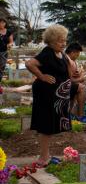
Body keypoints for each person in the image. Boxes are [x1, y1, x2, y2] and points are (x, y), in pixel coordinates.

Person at [26, 24, 76, 166]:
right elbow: (29, 64)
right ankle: (43, 158)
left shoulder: (61, 54)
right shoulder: (47, 52)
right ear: (52, 41)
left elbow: (69, 73)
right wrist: (42, 76)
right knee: (46, 126)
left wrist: (70, 63)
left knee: (51, 126)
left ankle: (46, 154)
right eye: (61, 40)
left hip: (56, 96)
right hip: (45, 94)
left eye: (65, 40)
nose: (64, 43)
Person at [64, 43, 86, 120]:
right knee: (81, 88)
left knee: (76, 87)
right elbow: (68, 80)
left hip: (64, 84)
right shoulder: (67, 60)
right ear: (72, 52)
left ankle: (69, 114)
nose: (77, 57)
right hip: (61, 85)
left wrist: (79, 74)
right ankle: (81, 116)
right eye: (77, 55)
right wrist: (81, 79)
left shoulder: (69, 59)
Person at [0, 17, 14, 81]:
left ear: (5, 23)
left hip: (4, 52)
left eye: (3, 22)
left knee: (2, 67)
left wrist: (10, 45)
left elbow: (11, 42)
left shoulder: (8, 32)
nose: (1, 24)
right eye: (0, 22)